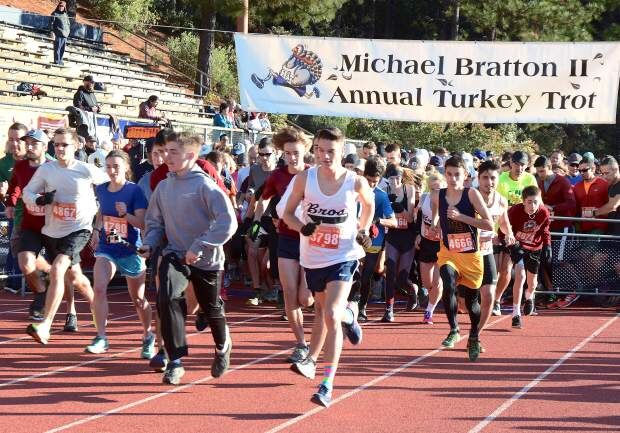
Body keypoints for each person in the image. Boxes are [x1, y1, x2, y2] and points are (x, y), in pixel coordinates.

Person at [283, 127, 373, 407]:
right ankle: (349, 316)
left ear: (342, 151)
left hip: (344, 254)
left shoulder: (354, 182)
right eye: (320, 150)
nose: (324, 155)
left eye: (330, 151)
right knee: (323, 310)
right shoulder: (304, 179)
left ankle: (327, 383)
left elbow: (369, 207)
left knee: (330, 314)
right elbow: (287, 214)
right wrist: (303, 227)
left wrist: (364, 228)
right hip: (313, 257)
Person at [140, 133, 237, 385]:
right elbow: (154, 223)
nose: (166, 157)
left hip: (206, 258)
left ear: (191, 156)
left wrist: (200, 245)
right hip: (175, 253)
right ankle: (175, 360)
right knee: (167, 297)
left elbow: (228, 223)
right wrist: (149, 244)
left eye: (173, 152)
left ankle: (222, 345)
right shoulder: (163, 187)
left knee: (211, 307)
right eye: (165, 151)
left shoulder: (205, 186)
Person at [23, 127, 105, 344]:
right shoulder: (46, 170)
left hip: (79, 229)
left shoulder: (86, 170)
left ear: (76, 146)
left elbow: (110, 185)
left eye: (65, 144)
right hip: (53, 230)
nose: (60, 148)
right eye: (56, 144)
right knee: (75, 277)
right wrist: (39, 200)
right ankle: (99, 309)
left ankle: (45, 326)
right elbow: (27, 193)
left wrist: (100, 222)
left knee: (58, 268)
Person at [86, 150, 154, 357]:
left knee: (138, 300)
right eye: (108, 166)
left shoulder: (134, 192)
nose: (112, 170)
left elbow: (142, 223)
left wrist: (126, 214)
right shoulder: (102, 189)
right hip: (107, 248)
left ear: (126, 167)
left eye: (116, 166)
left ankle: (148, 335)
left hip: (130, 249)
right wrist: (97, 230)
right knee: (98, 288)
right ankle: (101, 337)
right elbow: (102, 212)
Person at [430, 155, 493, 361]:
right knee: (447, 282)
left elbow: (489, 224)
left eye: (457, 174)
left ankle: (474, 336)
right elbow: (437, 215)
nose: (452, 178)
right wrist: (434, 225)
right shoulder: (437, 195)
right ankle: (454, 329)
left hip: (471, 256)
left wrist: (462, 217)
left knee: (473, 302)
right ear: (444, 174)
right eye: (448, 174)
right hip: (448, 252)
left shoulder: (472, 194)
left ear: (465, 175)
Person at [261, 127, 313, 363]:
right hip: (286, 239)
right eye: (288, 153)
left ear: (306, 151)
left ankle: (342, 312)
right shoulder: (277, 176)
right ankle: (301, 343)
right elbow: (264, 200)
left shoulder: (314, 175)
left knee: (306, 299)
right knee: (290, 295)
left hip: (312, 242)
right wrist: (260, 220)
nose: (292, 157)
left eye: (296, 153)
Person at [6, 129, 55, 320]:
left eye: (34, 143)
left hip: (54, 225)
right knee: (25, 263)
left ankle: (72, 312)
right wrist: (11, 203)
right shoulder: (20, 166)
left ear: (44, 146)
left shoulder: (54, 166)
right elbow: (14, 186)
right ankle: (41, 294)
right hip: (30, 223)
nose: (30, 147)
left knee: (70, 274)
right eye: (28, 143)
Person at [494, 150, 537, 314]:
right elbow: (497, 204)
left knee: (507, 269)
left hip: (520, 231)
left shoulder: (530, 179)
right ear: (511, 163)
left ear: (527, 166)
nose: (519, 168)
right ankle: (490, 299)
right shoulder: (501, 179)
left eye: (523, 165)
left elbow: (535, 203)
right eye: (517, 164)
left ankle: (497, 300)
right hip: (500, 228)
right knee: (497, 270)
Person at [356, 157, 396, 322]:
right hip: (351, 240)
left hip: (374, 242)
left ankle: (362, 308)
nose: (372, 184)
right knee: (353, 276)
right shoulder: (351, 191)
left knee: (366, 276)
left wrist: (378, 221)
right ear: (363, 175)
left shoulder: (381, 196)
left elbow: (393, 221)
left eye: (375, 181)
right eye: (369, 180)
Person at [476, 160, 513, 333]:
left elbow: (503, 223)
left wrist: (510, 234)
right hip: (466, 253)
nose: (489, 182)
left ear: (498, 179)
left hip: (487, 250)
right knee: (463, 301)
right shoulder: (469, 197)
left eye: (492, 178)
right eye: (485, 178)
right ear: (478, 178)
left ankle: (476, 334)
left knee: (489, 295)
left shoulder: (501, 201)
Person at [508, 186, 551, 328]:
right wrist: (509, 243)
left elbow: (545, 230)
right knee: (520, 277)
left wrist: (547, 245)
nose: (532, 206)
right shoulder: (515, 211)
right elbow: (505, 228)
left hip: (535, 248)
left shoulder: (543, 212)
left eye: (536, 202)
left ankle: (529, 297)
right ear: (523, 201)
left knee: (532, 283)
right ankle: (516, 314)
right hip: (519, 246)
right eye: (529, 202)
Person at [533, 155, 576, 293]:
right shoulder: (539, 182)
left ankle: (576, 287)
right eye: (538, 171)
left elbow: (571, 203)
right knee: (545, 259)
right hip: (547, 228)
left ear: (549, 168)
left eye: (542, 171)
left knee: (560, 259)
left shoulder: (563, 182)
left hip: (563, 226)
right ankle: (551, 291)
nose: (540, 174)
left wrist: (552, 207)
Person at [382, 163, 418, 322]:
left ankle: (413, 291)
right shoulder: (384, 192)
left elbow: (410, 218)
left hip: (407, 236)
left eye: (398, 178)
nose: (395, 182)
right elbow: (381, 218)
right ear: (387, 179)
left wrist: (399, 208)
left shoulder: (408, 189)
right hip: (393, 236)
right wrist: (387, 207)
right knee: (390, 272)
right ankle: (388, 309)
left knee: (402, 278)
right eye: (391, 178)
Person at [415, 172, 445, 325]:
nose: (436, 192)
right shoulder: (425, 198)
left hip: (442, 245)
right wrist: (418, 235)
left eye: (438, 189)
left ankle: (429, 311)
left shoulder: (448, 201)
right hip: (427, 241)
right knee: (427, 283)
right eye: (433, 189)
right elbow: (419, 217)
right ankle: (433, 296)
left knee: (438, 282)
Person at [574, 158, 609, 234]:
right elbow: (575, 208)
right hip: (582, 227)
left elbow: (610, 206)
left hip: (599, 226)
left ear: (593, 168)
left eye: (584, 170)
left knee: (589, 246)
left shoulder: (604, 184)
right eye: (580, 171)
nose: (582, 173)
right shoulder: (577, 186)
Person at [50, 1, 70, 66]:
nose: (61, 7)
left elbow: (68, 24)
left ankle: (60, 61)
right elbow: (51, 24)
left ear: (64, 7)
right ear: (58, 6)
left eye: (62, 6)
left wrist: (68, 32)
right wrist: (52, 33)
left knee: (62, 49)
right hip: (57, 34)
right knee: (57, 49)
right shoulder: (54, 13)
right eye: (60, 6)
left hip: (65, 35)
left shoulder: (66, 15)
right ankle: (56, 61)